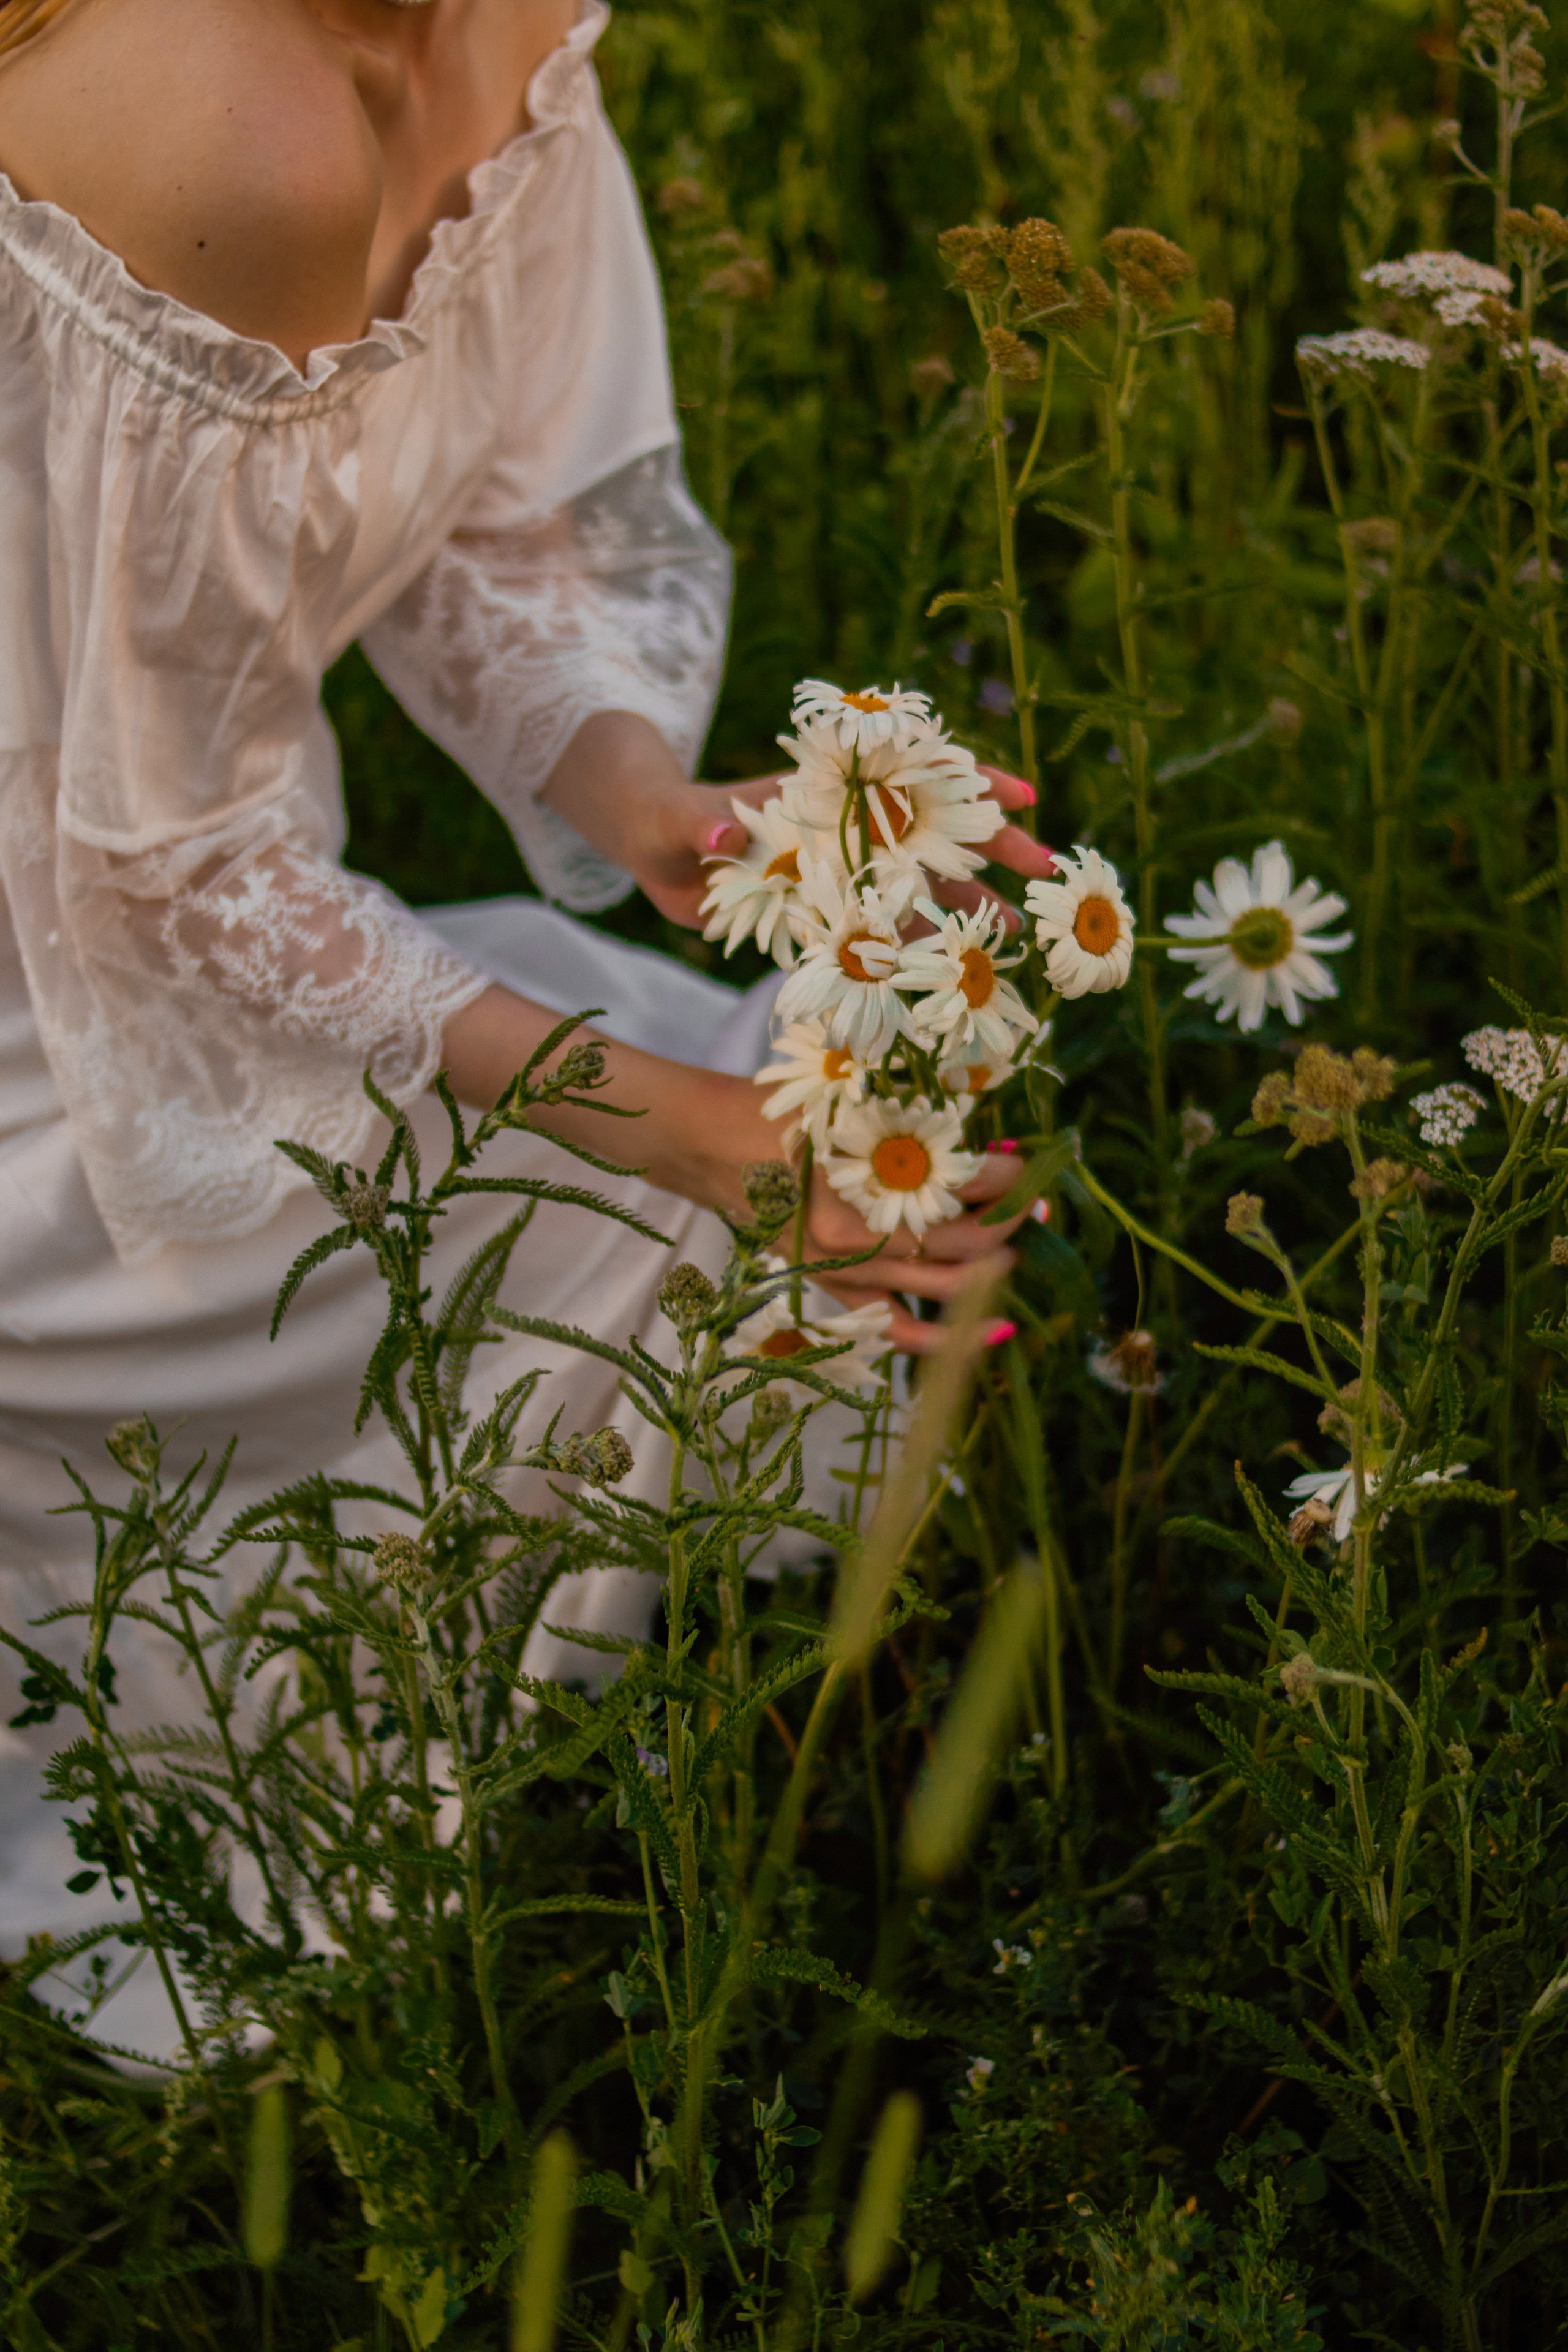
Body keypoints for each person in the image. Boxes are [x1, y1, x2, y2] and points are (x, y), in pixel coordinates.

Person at [0, 0, 1052, 2034]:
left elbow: (464, 508)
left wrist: (641, 792)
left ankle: (694, 1771)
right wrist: (681, 1127)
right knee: (703, 1187)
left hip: (198, 905)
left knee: (766, 1156)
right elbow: (162, 864)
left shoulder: (501, 24)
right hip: (58, 1023)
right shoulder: (235, 138)